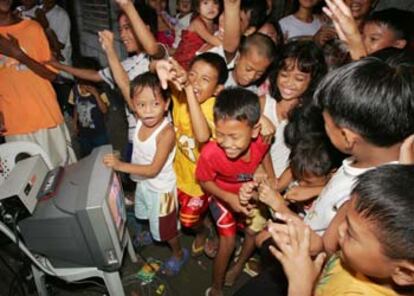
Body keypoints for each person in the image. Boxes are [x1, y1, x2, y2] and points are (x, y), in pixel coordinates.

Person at [269, 164, 414, 296]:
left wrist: (300, 288)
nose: (339, 229)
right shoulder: (362, 257)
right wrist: (317, 245)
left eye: (351, 233)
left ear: (404, 273)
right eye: (346, 219)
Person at [50, 0, 165, 158]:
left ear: (144, 28)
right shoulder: (125, 64)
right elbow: (95, 75)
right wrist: (59, 66)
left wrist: (127, 6)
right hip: (134, 138)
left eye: (127, 28)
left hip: (157, 139)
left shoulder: (158, 58)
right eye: (120, 30)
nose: (122, 35)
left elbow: (152, 48)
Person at [103, 72, 188, 276]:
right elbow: (124, 84)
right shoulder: (139, 118)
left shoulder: (166, 133)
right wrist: (110, 50)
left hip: (162, 192)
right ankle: (151, 233)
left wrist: (120, 165)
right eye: (141, 105)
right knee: (147, 216)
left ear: (166, 104)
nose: (148, 111)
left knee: (167, 230)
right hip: (143, 184)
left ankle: (178, 253)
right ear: (134, 104)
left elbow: (153, 169)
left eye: (155, 104)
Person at [196, 88, 270, 296]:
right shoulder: (211, 153)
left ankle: (238, 266)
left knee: (252, 233)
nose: (227, 143)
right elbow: (204, 181)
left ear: (255, 131)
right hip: (222, 196)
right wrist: (229, 197)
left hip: (252, 197)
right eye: (220, 134)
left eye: (234, 136)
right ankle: (217, 287)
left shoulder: (262, 140)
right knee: (227, 241)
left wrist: (264, 174)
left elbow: (264, 154)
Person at [154, 53, 228, 258]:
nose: (195, 82)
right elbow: (156, 68)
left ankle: (204, 230)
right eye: (192, 75)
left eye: (205, 79)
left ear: (217, 89)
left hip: (198, 182)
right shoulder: (179, 94)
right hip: (174, 173)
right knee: (170, 212)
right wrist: (161, 65)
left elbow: (202, 135)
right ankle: (203, 223)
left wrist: (188, 89)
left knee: (188, 221)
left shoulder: (216, 109)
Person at [0, 0, 75, 168]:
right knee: (31, 185)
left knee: (63, 177)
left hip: (46, 117)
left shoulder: (32, 28)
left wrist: (19, 55)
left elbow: (51, 74)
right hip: (15, 125)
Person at [261, 40, 326, 179]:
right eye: (284, 75)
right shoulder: (262, 104)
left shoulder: (310, 119)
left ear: (312, 81)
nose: (289, 83)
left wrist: (277, 187)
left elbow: (297, 163)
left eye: (299, 78)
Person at [173, 0, 221, 70]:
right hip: (184, 62)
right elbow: (215, 42)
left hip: (198, 61)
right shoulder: (197, 23)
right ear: (198, 8)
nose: (211, 7)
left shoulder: (215, 26)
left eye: (215, 3)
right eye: (205, 3)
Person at [71, 77, 109, 157]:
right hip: (83, 133)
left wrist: (96, 95)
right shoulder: (75, 90)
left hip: (99, 132)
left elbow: (104, 110)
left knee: (102, 155)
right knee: (87, 156)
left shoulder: (99, 91)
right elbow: (76, 106)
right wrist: (74, 123)